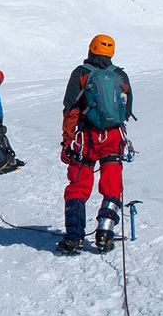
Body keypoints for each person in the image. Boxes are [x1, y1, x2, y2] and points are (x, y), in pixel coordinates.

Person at [56, 35, 134, 254]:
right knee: (112, 186)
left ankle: (74, 239)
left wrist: (67, 140)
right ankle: (105, 234)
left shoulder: (81, 74)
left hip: (86, 139)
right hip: (113, 138)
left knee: (78, 187)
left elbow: (70, 108)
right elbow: (126, 111)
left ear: (91, 49)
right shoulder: (120, 75)